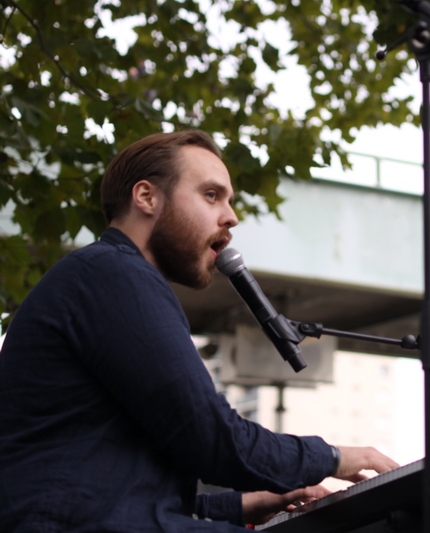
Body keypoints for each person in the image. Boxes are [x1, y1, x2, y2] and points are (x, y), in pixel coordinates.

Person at [0, 130, 399, 532]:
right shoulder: (114, 275)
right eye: (211, 195)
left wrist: (246, 504)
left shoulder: (108, 277)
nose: (231, 217)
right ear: (146, 197)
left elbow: (133, 497)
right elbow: (213, 439)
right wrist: (335, 457)